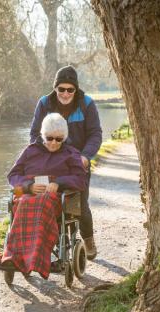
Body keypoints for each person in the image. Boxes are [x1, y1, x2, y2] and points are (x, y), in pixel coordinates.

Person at [0, 113, 86, 279]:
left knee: (43, 201)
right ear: (43, 136)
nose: (53, 143)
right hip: (29, 194)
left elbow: (80, 179)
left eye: (59, 139)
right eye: (50, 138)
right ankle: (14, 257)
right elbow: (13, 175)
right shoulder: (30, 151)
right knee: (22, 202)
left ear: (64, 138)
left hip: (55, 197)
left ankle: (35, 258)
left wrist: (59, 182)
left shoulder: (71, 153)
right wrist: (28, 187)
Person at [29, 65, 102, 260]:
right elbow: (35, 134)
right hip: (50, 164)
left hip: (77, 164)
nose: (66, 93)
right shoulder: (44, 103)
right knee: (50, 204)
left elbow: (95, 134)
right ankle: (57, 243)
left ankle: (88, 240)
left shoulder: (87, 104)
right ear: (55, 88)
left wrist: (86, 156)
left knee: (80, 206)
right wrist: (39, 157)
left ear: (76, 89)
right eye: (61, 89)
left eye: (70, 89)